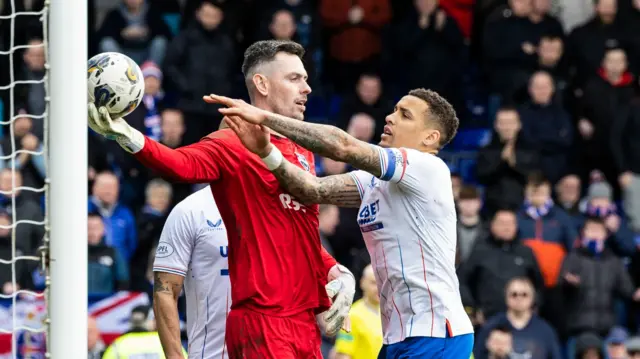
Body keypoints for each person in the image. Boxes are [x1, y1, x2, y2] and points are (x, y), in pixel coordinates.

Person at [87, 40, 356, 359]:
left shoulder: (302, 151)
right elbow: (180, 164)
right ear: (262, 83)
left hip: (301, 323)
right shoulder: (233, 142)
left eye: (306, 79)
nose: (307, 88)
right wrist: (128, 136)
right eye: (295, 78)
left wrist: (336, 271)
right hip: (263, 319)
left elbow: (299, 231)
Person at [207, 87, 475, 358]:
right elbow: (312, 190)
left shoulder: (427, 167)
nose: (390, 118)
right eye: (394, 110)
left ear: (430, 137)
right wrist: (266, 152)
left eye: (404, 115)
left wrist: (263, 117)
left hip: (438, 333)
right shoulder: (373, 180)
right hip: (398, 335)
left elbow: (342, 146)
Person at [152, 185, 352, 358]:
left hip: (273, 347)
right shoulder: (191, 210)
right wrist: (175, 355)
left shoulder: (281, 206)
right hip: (211, 352)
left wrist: (341, 289)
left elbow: (319, 265)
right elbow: (165, 290)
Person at [334, 264, 383, 359]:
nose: (378, 288)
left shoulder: (389, 313)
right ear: (362, 283)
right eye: (373, 283)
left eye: (381, 283)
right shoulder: (352, 316)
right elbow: (343, 354)